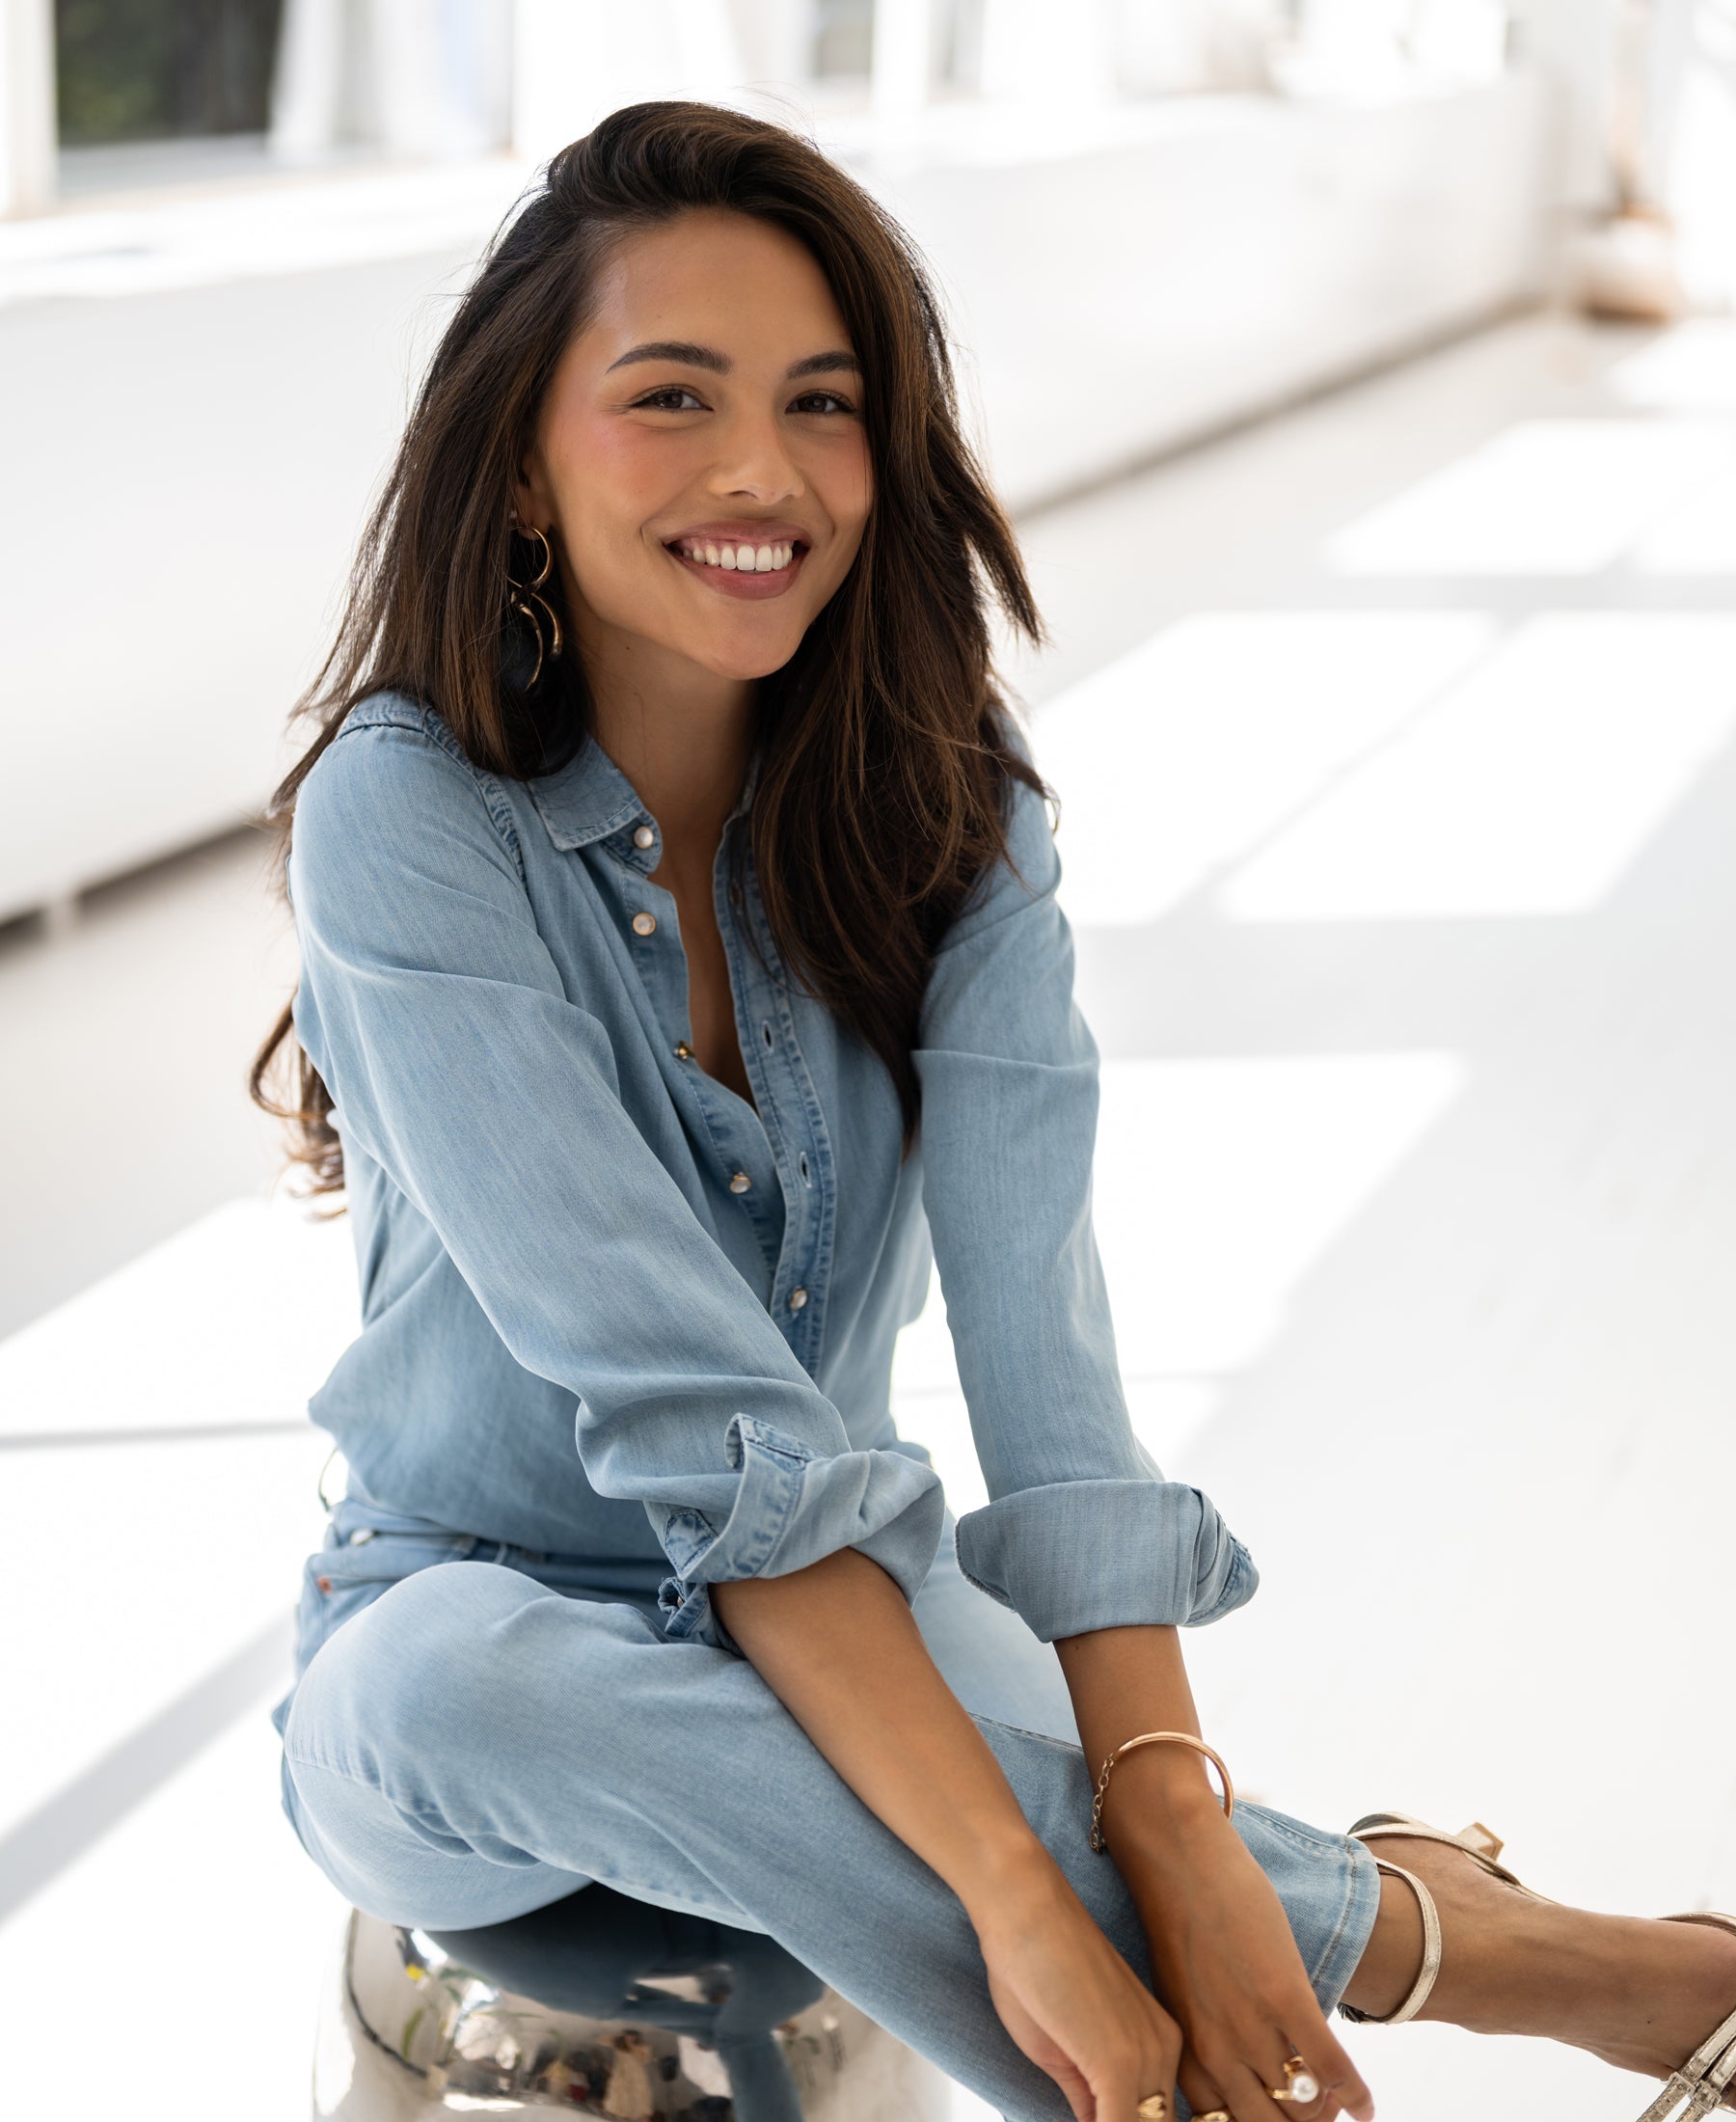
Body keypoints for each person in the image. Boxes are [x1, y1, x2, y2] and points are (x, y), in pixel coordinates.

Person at [253, 101, 1736, 2122]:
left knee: (1090, 1842)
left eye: (823, 402)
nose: (760, 472)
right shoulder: (406, 814)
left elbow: (1052, 1385)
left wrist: (1180, 1822)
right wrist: (1022, 1893)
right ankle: (1500, 1952)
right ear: (522, 452)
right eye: (668, 396)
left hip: (858, 1602)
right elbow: (701, 1424)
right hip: (465, 1659)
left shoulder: (956, 820)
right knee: (461, 1677)